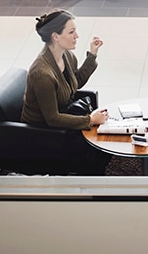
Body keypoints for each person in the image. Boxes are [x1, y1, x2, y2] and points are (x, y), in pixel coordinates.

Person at [21, 9, 111, 175]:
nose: (77, 36)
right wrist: (89, 120)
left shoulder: (67, 56)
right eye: (71, 32)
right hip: (44, 133)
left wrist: (92, 55)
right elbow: (52, 119)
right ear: (55, 36)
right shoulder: (42, 74)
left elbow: (75, 84)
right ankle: (90, 191)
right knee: (95, 150)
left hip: (63, 117)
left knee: (103, 143)